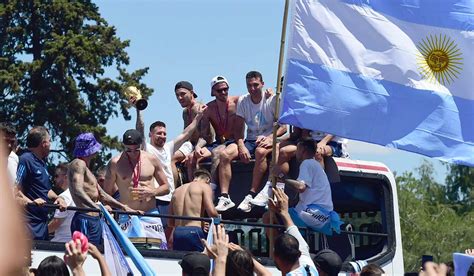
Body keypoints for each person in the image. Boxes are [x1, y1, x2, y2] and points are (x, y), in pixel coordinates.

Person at [135, 101, 207, 236]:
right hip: (155, 197)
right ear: (151, 135)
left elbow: (186, 133)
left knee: (171, 232)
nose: (162, 136)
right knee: (156, 232)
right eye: (159, 133)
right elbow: (140, 129)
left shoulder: (168, 148)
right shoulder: (146, 148)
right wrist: (139, 111)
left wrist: (198, 117)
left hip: (170, 198)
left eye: (164, 133)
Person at [68, 132, 138, 246]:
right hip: (84, 218)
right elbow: (78, 189)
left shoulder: (87, 168)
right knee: (84, 254)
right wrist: (95, 206)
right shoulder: (78, 163)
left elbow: (102, 195)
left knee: (97, 254)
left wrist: (124, 207)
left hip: (94, 219)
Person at [104, 129, 170, 248]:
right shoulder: (115, 163)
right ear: (123, 146)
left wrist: (152, 192)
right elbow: (106, 194)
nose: (133, 153)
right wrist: (109, 208)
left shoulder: (151, 159)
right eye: (129, 150)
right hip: (127, 215)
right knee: (128, 253)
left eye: (136, 150)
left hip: (150, 214)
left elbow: (166, 187)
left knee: (158, 251)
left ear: (141, 145)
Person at [233, 71, 287, 213]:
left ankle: (252, 193)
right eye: (249, 85)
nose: (252, 88)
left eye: (255, 85)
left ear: (262, 84)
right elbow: (238, 130)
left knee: (260, 151)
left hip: (270, 139)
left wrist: (269, 138)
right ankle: (222, 195)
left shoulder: (273, 99)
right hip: (250, 140)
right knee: (224, 154)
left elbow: (283, 128)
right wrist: (241, 146)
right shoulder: (243, 101)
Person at [276, 139, 342, 235]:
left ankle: (294, 244)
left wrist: (281, 176)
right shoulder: (317, 166)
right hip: (324, 216)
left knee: (278, 213)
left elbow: (301, 187)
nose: (295, 153)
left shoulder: (307, 163)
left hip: (313, 213)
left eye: (297, 150)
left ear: (303, 150)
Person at [15, 126, 67, 240]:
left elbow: (46, 190)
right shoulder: (25, 159)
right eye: (50, 141)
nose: (50, 144)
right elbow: (16, 190)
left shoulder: (42, 164)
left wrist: (58, 198)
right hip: (27, 224)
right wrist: (31, 202)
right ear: (44, 143)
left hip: (42, 225)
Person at [193, 76, 239, 194]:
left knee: (217, 152)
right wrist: (198, 146)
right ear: (213, 92)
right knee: (193, 157)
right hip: (218, 142)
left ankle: (212, 189)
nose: (223, 92)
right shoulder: (208, 109)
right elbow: (204, 135)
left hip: (234, 141)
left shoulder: (237, 101)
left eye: (226, 89)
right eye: (219, 90)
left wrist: (268, 94)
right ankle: (194, 190)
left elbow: (255, 96)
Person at [269, 187, 319, 276]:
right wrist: (284, 213)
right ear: (298, 254)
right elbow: (292, 229)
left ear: (276, 257)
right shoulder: (308, 268)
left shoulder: (308, 265)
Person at [169, 169, 218, 251]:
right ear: (207, 180)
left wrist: (202, 222)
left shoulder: (177, 190)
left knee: (182, 262)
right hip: (194, 231)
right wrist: (220, 221)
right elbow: (212, 212)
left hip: (177, 232)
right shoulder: (204, 186)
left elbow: (170, 222)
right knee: (199, 261)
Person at [173, 81, 210, 182]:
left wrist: (196, 149)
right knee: (169, 156)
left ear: (191, 93)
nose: (180, 98)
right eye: (177, 95)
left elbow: (206, 136)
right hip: (190, 144)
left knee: (189, 158)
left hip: (203, 145)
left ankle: (193, 187)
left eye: (183, 94)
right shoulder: (185, 112)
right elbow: (186, 135)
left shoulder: (200, 108)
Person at [48, 163, 77, 243]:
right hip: (73, 242)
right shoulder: (77, 195)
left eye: (57, 176)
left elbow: (56, 223)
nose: (54, 179)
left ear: (66, 177)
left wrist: (40, 231)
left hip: (61, 242)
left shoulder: (65, 196)